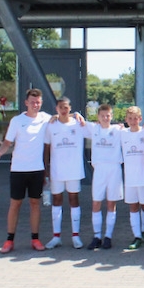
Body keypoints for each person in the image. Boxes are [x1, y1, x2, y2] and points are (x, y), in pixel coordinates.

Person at [0, 88, 51, 254]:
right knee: (15, 203)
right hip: (18, 169)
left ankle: (35, 239)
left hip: (37, 169)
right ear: (26, 103)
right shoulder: (17, 121)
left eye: (38, 102)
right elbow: (7, 142)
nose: (35, 105)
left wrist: (77, 116)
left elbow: (63, 117)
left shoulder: (46, 119)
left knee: (35, 203)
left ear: (41, 103)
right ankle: (9, 240)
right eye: (32, 102)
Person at [42, 97, 90, 250]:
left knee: (73, 199)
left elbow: (97, 129)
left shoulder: (78, 124)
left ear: (70, 108)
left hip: (74, 170)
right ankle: (56, 237)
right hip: (56, 170)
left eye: (66, 107)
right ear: (56, 109)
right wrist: (45, 169)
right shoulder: (51, 125)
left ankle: (76, 236)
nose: (63, 110)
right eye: (60, 107)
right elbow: (46, 148)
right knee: (56, 200)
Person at [87, 103, 125, 250]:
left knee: (111, 203)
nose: (105, 118)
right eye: (102, 116)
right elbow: (75, 120)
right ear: (98, 117)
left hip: (114, 168)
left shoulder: (118, 130)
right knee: (96, 203)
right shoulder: (93, 128)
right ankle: (97, 236)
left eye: (107, 115)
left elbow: (136, 130)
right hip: (99, 169)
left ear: (111, 116)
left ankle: (108, 236)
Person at [120, 106, 144, 250]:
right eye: (130, 118)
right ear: (126, 119)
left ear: (140, 119)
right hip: (130, 178)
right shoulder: (122, 133)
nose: (133, 121)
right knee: (133, 206)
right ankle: (137, 236)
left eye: (135, 118)